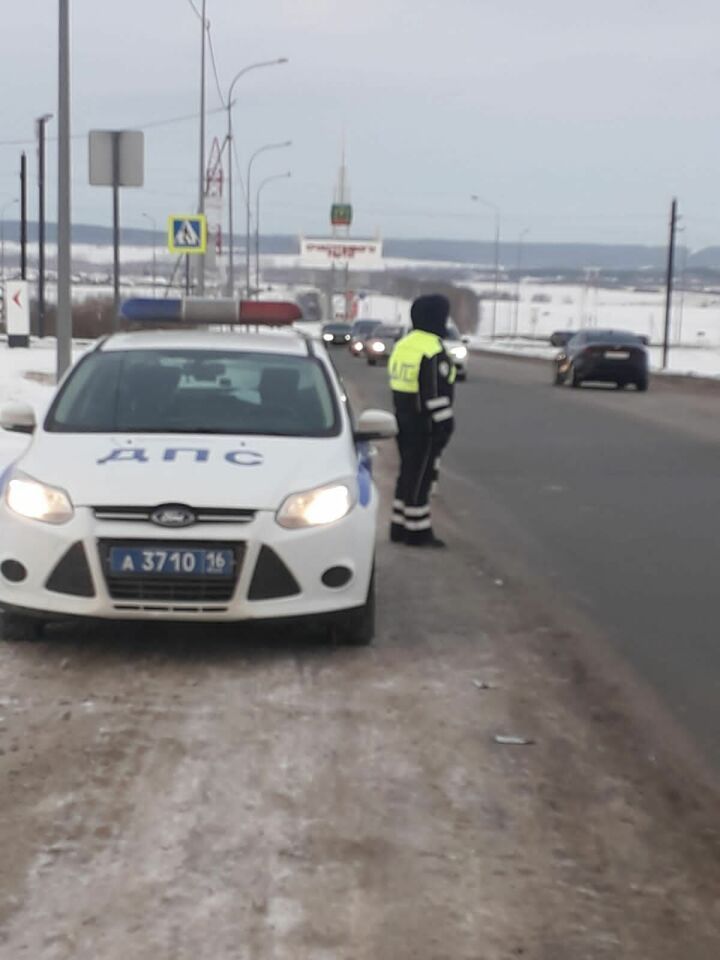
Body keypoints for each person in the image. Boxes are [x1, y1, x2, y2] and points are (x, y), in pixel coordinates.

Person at [388, 294, 456, 548]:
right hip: (425, 424)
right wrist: (444, 424)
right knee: (421, 476)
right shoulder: (433, 350)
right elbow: (435, 393)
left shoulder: (404, 345)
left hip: (402, 417)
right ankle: (417, 530)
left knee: (406, 472)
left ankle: (398, 524)